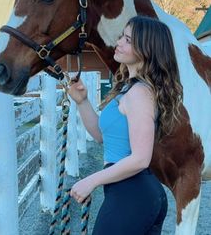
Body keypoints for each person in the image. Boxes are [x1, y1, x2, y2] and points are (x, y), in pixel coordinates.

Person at [68, 15, 183, 234]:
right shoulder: (129, 88)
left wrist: (91, 181)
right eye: (122, 36)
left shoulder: (139, 93)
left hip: (133, 194)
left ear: (146, 50)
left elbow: (140, 158)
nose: (119, 42)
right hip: (133, 193)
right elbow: (102, 136)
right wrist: (82, 101)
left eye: (128, 40)